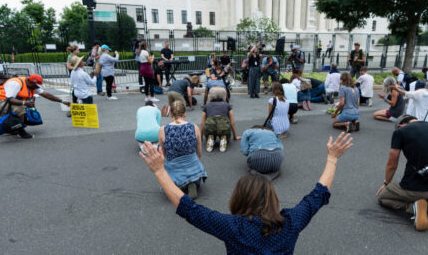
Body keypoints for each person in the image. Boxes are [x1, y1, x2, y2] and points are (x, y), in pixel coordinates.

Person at [138, 132, 354, 254]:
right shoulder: (290, 223)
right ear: (272, 198)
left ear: (238, 198)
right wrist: (332, 159)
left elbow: (189, 208)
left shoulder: (233, 228)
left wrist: (159, 170)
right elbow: (318, 195)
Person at [376, 115, 428, 232]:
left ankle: (413, 207)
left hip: (413, 190)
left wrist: (386, 183)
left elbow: (392, 163)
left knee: (383, 197)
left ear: (400, 125)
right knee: (427, 194)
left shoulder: (401, 132)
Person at [0, 74, 70, 139]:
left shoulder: (32, 85)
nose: (36, 88)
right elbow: (10, 99)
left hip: (6, 102)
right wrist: (24, 103)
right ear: (30, 82)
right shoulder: (15, 84)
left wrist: (63, 101)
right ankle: (21, 131)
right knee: (20, 109)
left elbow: (47, 95)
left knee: (12, 127)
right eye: (35, 86)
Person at [158, 100, 206, 199]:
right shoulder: (194, 127)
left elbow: (163, 155)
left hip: (174, 169)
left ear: (170, 113)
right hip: (192, 169)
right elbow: (199, 152)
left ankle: (176, 186)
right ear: (185, 113)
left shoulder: (163, 130)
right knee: (194, 168)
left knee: (170, 178)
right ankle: (191, 181)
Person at [201, 87, 240, 152]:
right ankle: (224, 138)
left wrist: (201, 137)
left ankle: (210, 138)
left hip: (210, 126)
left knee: (209, 130)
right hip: (224, 126)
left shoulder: (207, 106)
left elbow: (202, 123)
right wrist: (235, 136)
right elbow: (232, 122)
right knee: (225, 132)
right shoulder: (227, 105)